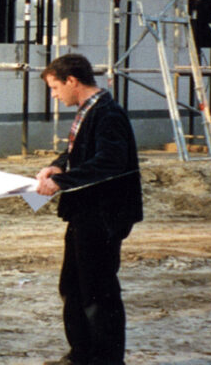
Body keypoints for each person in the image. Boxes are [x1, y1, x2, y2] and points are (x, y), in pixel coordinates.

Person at [36, 54, 143, 365]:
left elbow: (110, 162)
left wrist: (62, 182)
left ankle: (107, 360)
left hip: (104, 215)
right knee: (72, 285)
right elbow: (78, 150)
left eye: (55, 87)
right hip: (86, 213)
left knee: (98, 292)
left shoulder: (109, 114)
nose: (54, 95)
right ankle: (81, 354)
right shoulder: (90, 111)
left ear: (72, 81)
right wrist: (56, 167)